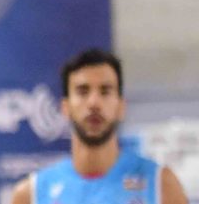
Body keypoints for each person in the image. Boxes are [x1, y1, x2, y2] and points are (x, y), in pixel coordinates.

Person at [11, 49, 189, 204]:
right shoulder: (31, 194)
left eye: (105, 91)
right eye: (83, 91)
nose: (94, 103)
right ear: (65, 107)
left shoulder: (160, 185)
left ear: (121, 107)